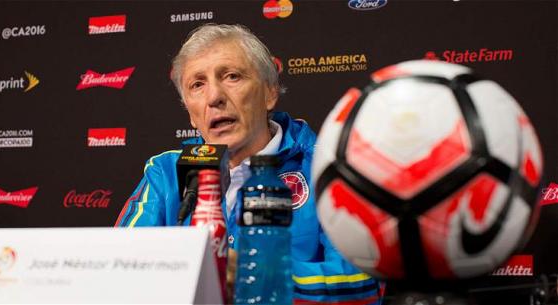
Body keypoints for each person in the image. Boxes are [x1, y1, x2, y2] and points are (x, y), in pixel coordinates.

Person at [115, 23, 381, 304]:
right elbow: (119, 267)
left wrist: (258, 280)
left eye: (231, 76)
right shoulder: (166, 173)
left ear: (270, 93)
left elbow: (363, 282)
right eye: (197, 85)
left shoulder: (328, 170)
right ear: (191, 115)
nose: (214, 97)